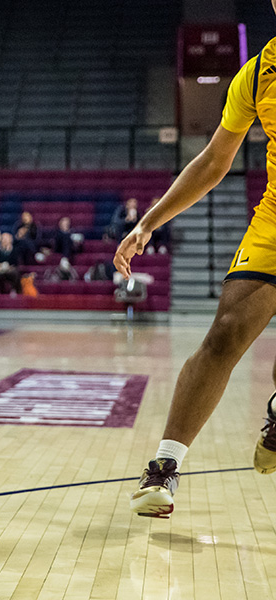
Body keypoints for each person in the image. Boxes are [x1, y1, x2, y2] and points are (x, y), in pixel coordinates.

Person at [117, 25, 276, 519]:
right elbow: (212, 161)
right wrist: (149, 221)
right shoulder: (256, 74)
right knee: (225, 334)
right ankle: (164, 467)